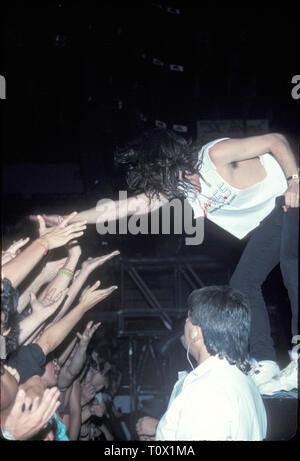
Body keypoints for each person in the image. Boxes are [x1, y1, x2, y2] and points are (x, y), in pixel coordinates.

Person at [34, 129, 299, 394]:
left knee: (291, 265)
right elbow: (125, 207)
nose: (163, 192)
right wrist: (73, 218)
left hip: (292, 194)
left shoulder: (215, 155)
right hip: (275, 215)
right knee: (243, 281)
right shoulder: (180, 186)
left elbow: (276, 140)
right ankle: (266, 363)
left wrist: (294, 181)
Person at [155, 285, 267, 441]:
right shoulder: (244, 381)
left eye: (188, 318)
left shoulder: (206, 391)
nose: (185, 322)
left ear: (196, 332)